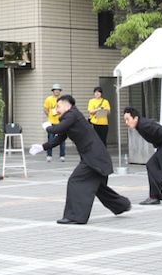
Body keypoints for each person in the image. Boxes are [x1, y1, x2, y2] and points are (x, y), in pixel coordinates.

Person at [31, 94, 130, 224]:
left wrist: (48, 127)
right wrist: (42, 147)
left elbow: (57, 129)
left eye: (59, 106)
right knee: (98, 187)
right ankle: (122, 205)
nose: (57, 109)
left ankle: (75, 216)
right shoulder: (69, 118)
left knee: (75, 181)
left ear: (68, 106)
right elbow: (59, 138)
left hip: (94, 156)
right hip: (94, 156)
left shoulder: (72, 114)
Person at [43, 84, 65, 161]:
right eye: (55, 90)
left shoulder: (62, 100)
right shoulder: (49, 99)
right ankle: (49, 155)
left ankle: (62, 155)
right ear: (53, 91)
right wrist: (49, 115)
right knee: (50, 139)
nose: (57, 91)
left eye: (58, 90)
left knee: (62, 139)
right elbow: (45, 108)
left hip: (60, 122)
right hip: (51, 122)